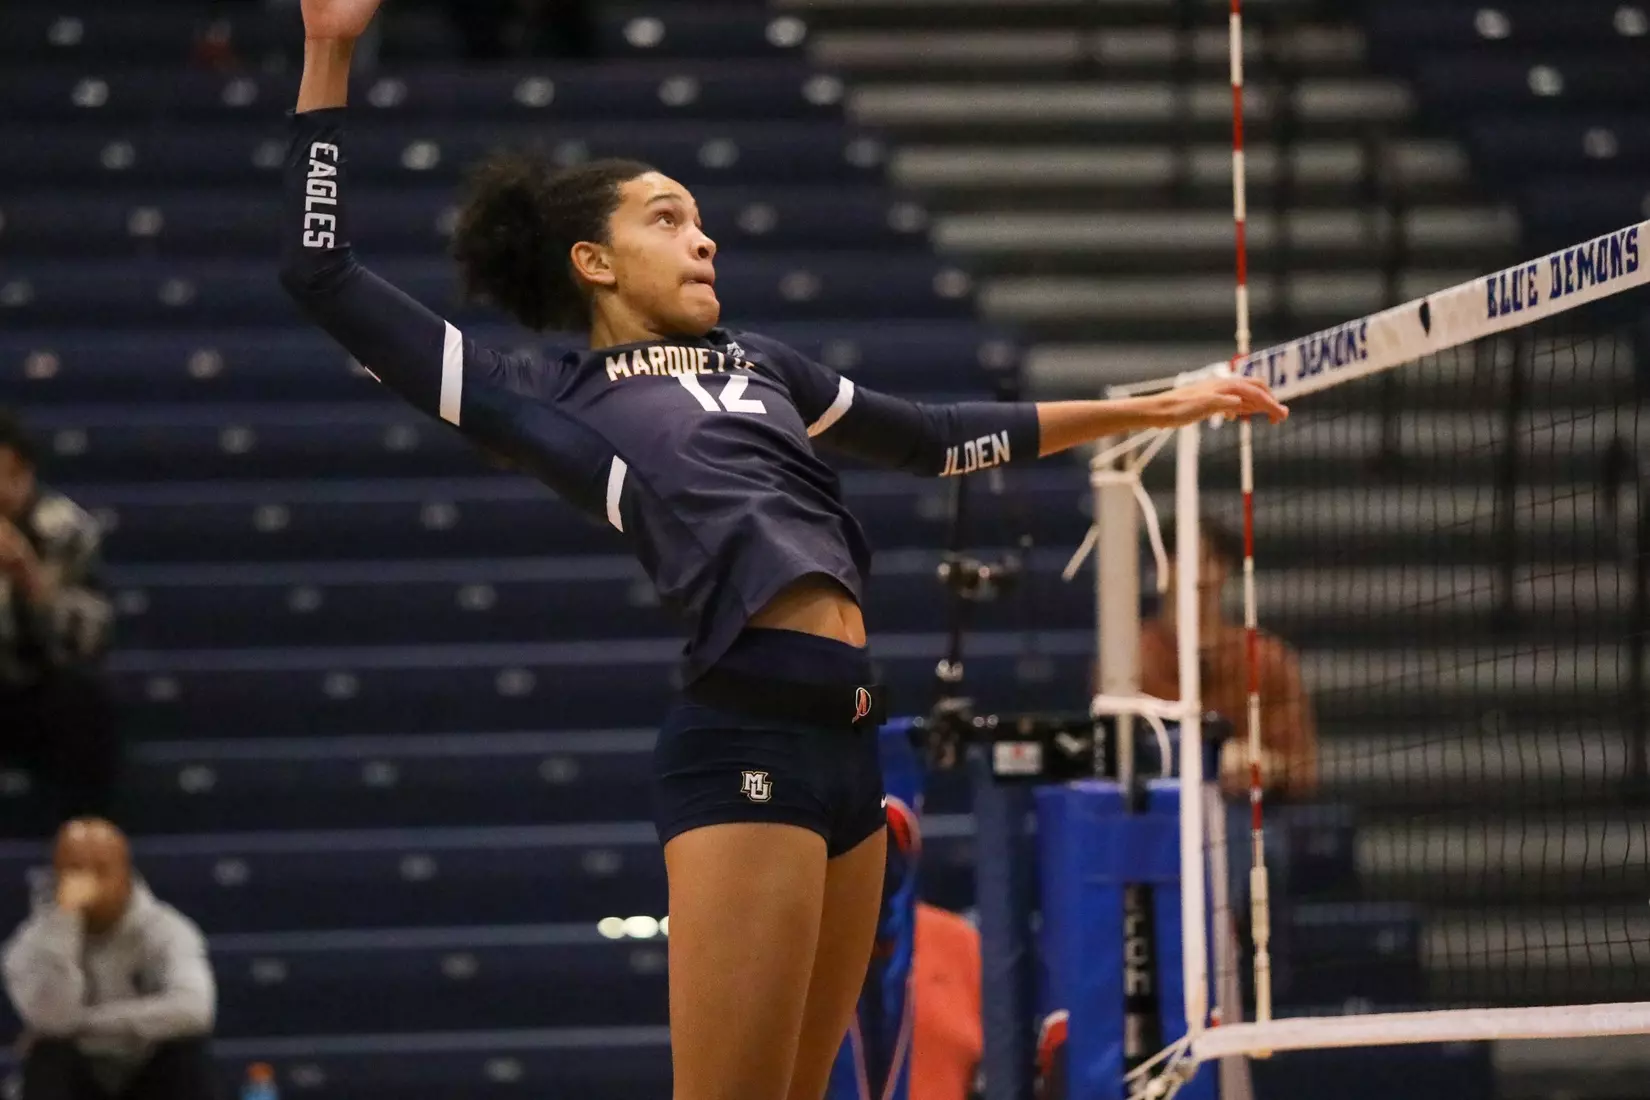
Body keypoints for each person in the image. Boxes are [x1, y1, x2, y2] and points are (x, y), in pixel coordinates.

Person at [278, 4, 1289, 1096]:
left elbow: (938, 438)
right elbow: (318, 272)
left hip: (850, 741)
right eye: (667, 220)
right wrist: (329, 48)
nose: (702, 238)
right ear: (594, 261)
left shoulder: (765, 365)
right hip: (741, 733)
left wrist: (1158, 405)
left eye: (702, 220)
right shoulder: (548, 395)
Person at [2, 819, 218, 1100]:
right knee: (49, 1055)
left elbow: (194, 1010)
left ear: (124, 874)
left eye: (100, 869)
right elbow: (54, 1020)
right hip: (78, 1074)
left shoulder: (168, 929)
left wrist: (84, 1023)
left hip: (148, 1066)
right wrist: (64, 920)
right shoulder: (30, 944)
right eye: (74, 870)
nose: (88, 882)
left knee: (187, 1051)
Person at [1138, 517, 1318, 800]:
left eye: (1210, 560)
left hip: (1246, 817)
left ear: (1226, 569)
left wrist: (1263, 765)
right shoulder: (1131, 661)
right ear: (1161, 567)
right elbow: (1117, 759)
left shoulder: (1267, 658)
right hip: (1161, 812)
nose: (1199, 576)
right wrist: (1204, 760)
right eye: (1185, 559)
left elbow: (1301, 767)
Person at [0, 410, 119, 832]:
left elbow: (90, 639)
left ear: (24, 475)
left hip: (37, 685)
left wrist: (31, 581)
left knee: (86, 705)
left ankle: (85, 843)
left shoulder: (64, 530)